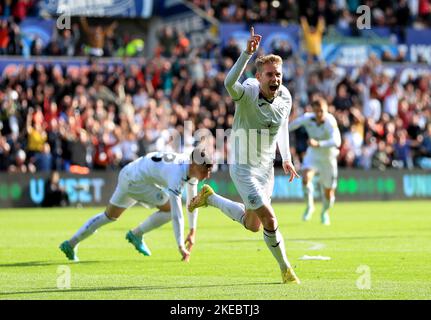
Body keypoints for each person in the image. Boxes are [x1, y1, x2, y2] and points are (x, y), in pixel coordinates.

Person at [189, 27, 300, 284]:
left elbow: (282, 124)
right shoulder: (248, 91)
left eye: (278, 74)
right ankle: (286, 269)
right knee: (269, 217)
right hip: (243, 168)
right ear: (259, 76)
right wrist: (246, 55)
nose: (275, 79)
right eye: (270, 75)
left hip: (266, 169)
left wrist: (286, 157)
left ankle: (211, 199)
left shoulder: (285, 96)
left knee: (253, 225)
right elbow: (229, 83)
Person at [59, 147, 213, 262]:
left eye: (208, 171)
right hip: (136, 182)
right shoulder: (177, 174)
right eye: (204, 171)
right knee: (170, 209)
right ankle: (136, 234)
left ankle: (70, 244)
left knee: (109, 216)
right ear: (194, 165)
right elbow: (177, 214)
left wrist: (192, 230)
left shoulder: (190, 167)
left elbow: (193, 202)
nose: (207, 175)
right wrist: (180, 245)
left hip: (129, 173)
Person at [289, 98, 341, 225]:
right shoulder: (308, 118)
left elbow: (337, 142)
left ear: (326, 110)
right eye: (316, 111)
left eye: (321, 111)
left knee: (328, 193)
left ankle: (324, 212)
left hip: (328, 158)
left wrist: (318, 143)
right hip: (313, 155)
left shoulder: (330, 121)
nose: (319, 114)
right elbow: (291, 126)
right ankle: (309, 206)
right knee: (306, 179)